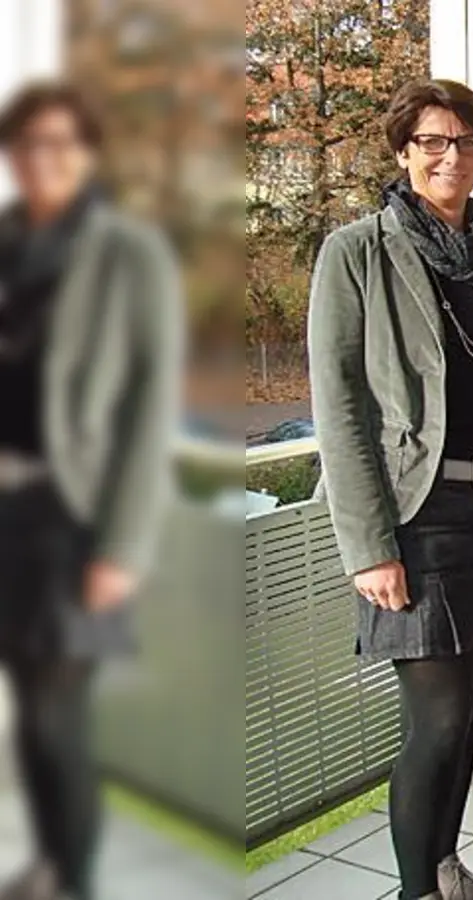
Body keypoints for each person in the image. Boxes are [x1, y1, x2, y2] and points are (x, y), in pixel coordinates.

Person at [308, 78, 473, 900]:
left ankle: (446, 867)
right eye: (431, 141)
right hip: (416, 517)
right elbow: (340, 404)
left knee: (470, 707)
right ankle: (417, 890)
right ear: (403, 152)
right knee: (439, 717)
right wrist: (369, 546)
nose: (448, 155)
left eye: (464, 141)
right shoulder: (358, 252)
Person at [0, 81, 181, 900]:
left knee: (57, 715)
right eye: (32, 145)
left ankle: (68, 877)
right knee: (24, 714)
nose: (47, 160)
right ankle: (47, 861)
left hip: (73, 521)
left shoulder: (126, 254)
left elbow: (149, 414)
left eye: (64, 144)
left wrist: (122, 546)